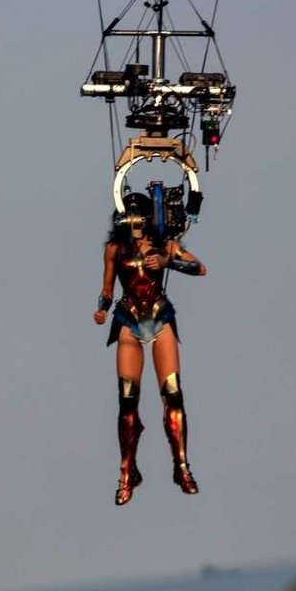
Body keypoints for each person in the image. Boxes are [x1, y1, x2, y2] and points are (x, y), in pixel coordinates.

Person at [93, 190, 206, 505]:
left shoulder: (165, 244)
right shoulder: (115, 249)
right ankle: (127, 470)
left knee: (172, 393)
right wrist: (101, 308)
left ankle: (181, 464)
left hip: (159, 317)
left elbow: (199, 268)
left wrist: (168, 260)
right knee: (127, 398)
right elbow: (106, 288)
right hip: (129, 318)